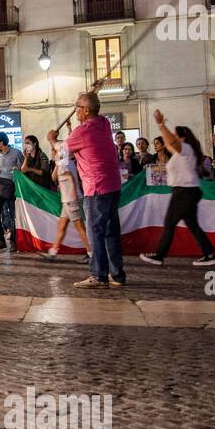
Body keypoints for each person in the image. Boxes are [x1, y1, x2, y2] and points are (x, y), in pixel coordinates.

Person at [138, 111, 215, 268]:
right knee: (192, 224)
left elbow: (171, 143)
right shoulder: (183, 152)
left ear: (182, 138)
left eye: (175, 135)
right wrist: (164, 129)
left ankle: (159, 255)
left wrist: (161, 125)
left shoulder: (186, 148)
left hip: (184, 191)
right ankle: (208, 254)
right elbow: (169, 144)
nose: (172, 137)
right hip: (187, 191)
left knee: (169, 222)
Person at [66, 91, 125, 288]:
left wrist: (51, 138)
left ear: (86, 110)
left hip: (96, 186)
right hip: (113, 184)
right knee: (111, 231)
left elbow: (62, 151)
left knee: (95, 232)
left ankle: (98, 275)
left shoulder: (82, 132)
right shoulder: (104, 124)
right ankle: (117, 275)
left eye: (77, 107)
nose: (75, 112)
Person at [43, 127, 90, 263]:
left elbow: (69, 177)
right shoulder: (63, 163)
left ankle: (92, 253)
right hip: (67, 200)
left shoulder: (66, 164)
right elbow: (53, 177)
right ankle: (53, 252)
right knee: (61, 226)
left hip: (71, 199)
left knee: (80, 227)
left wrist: (74, 192)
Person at [0, 132, 20, 250]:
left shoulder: (16, 153)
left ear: (1, 142)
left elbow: (20, 169)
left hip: (11, 186)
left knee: (13, 216)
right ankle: (0, 240)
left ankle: (13, 241)